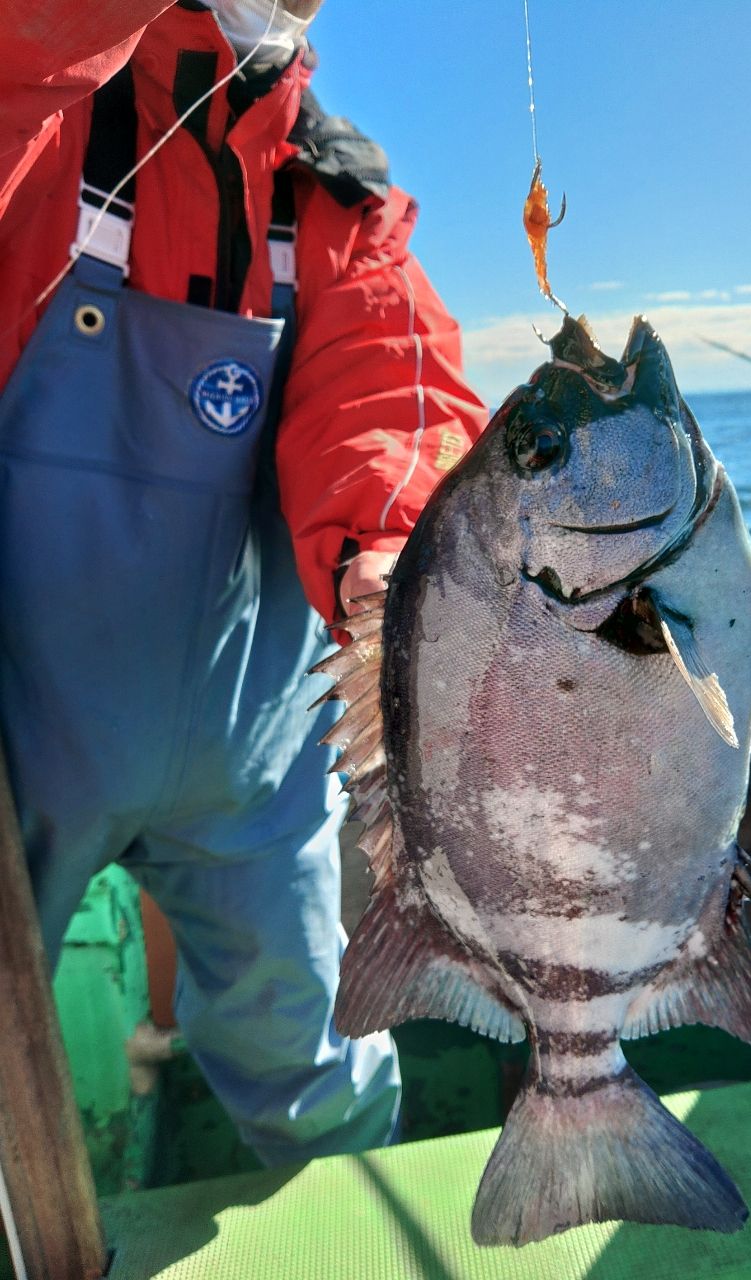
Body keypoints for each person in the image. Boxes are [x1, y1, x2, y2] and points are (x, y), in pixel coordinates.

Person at [0, 0, 487, 1165]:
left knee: (323, 1077)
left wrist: (394, 558)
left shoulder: (337, 200)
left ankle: (354, 1224)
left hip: (257, 770)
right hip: (19, 750)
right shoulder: (46, 109)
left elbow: (389, 392)